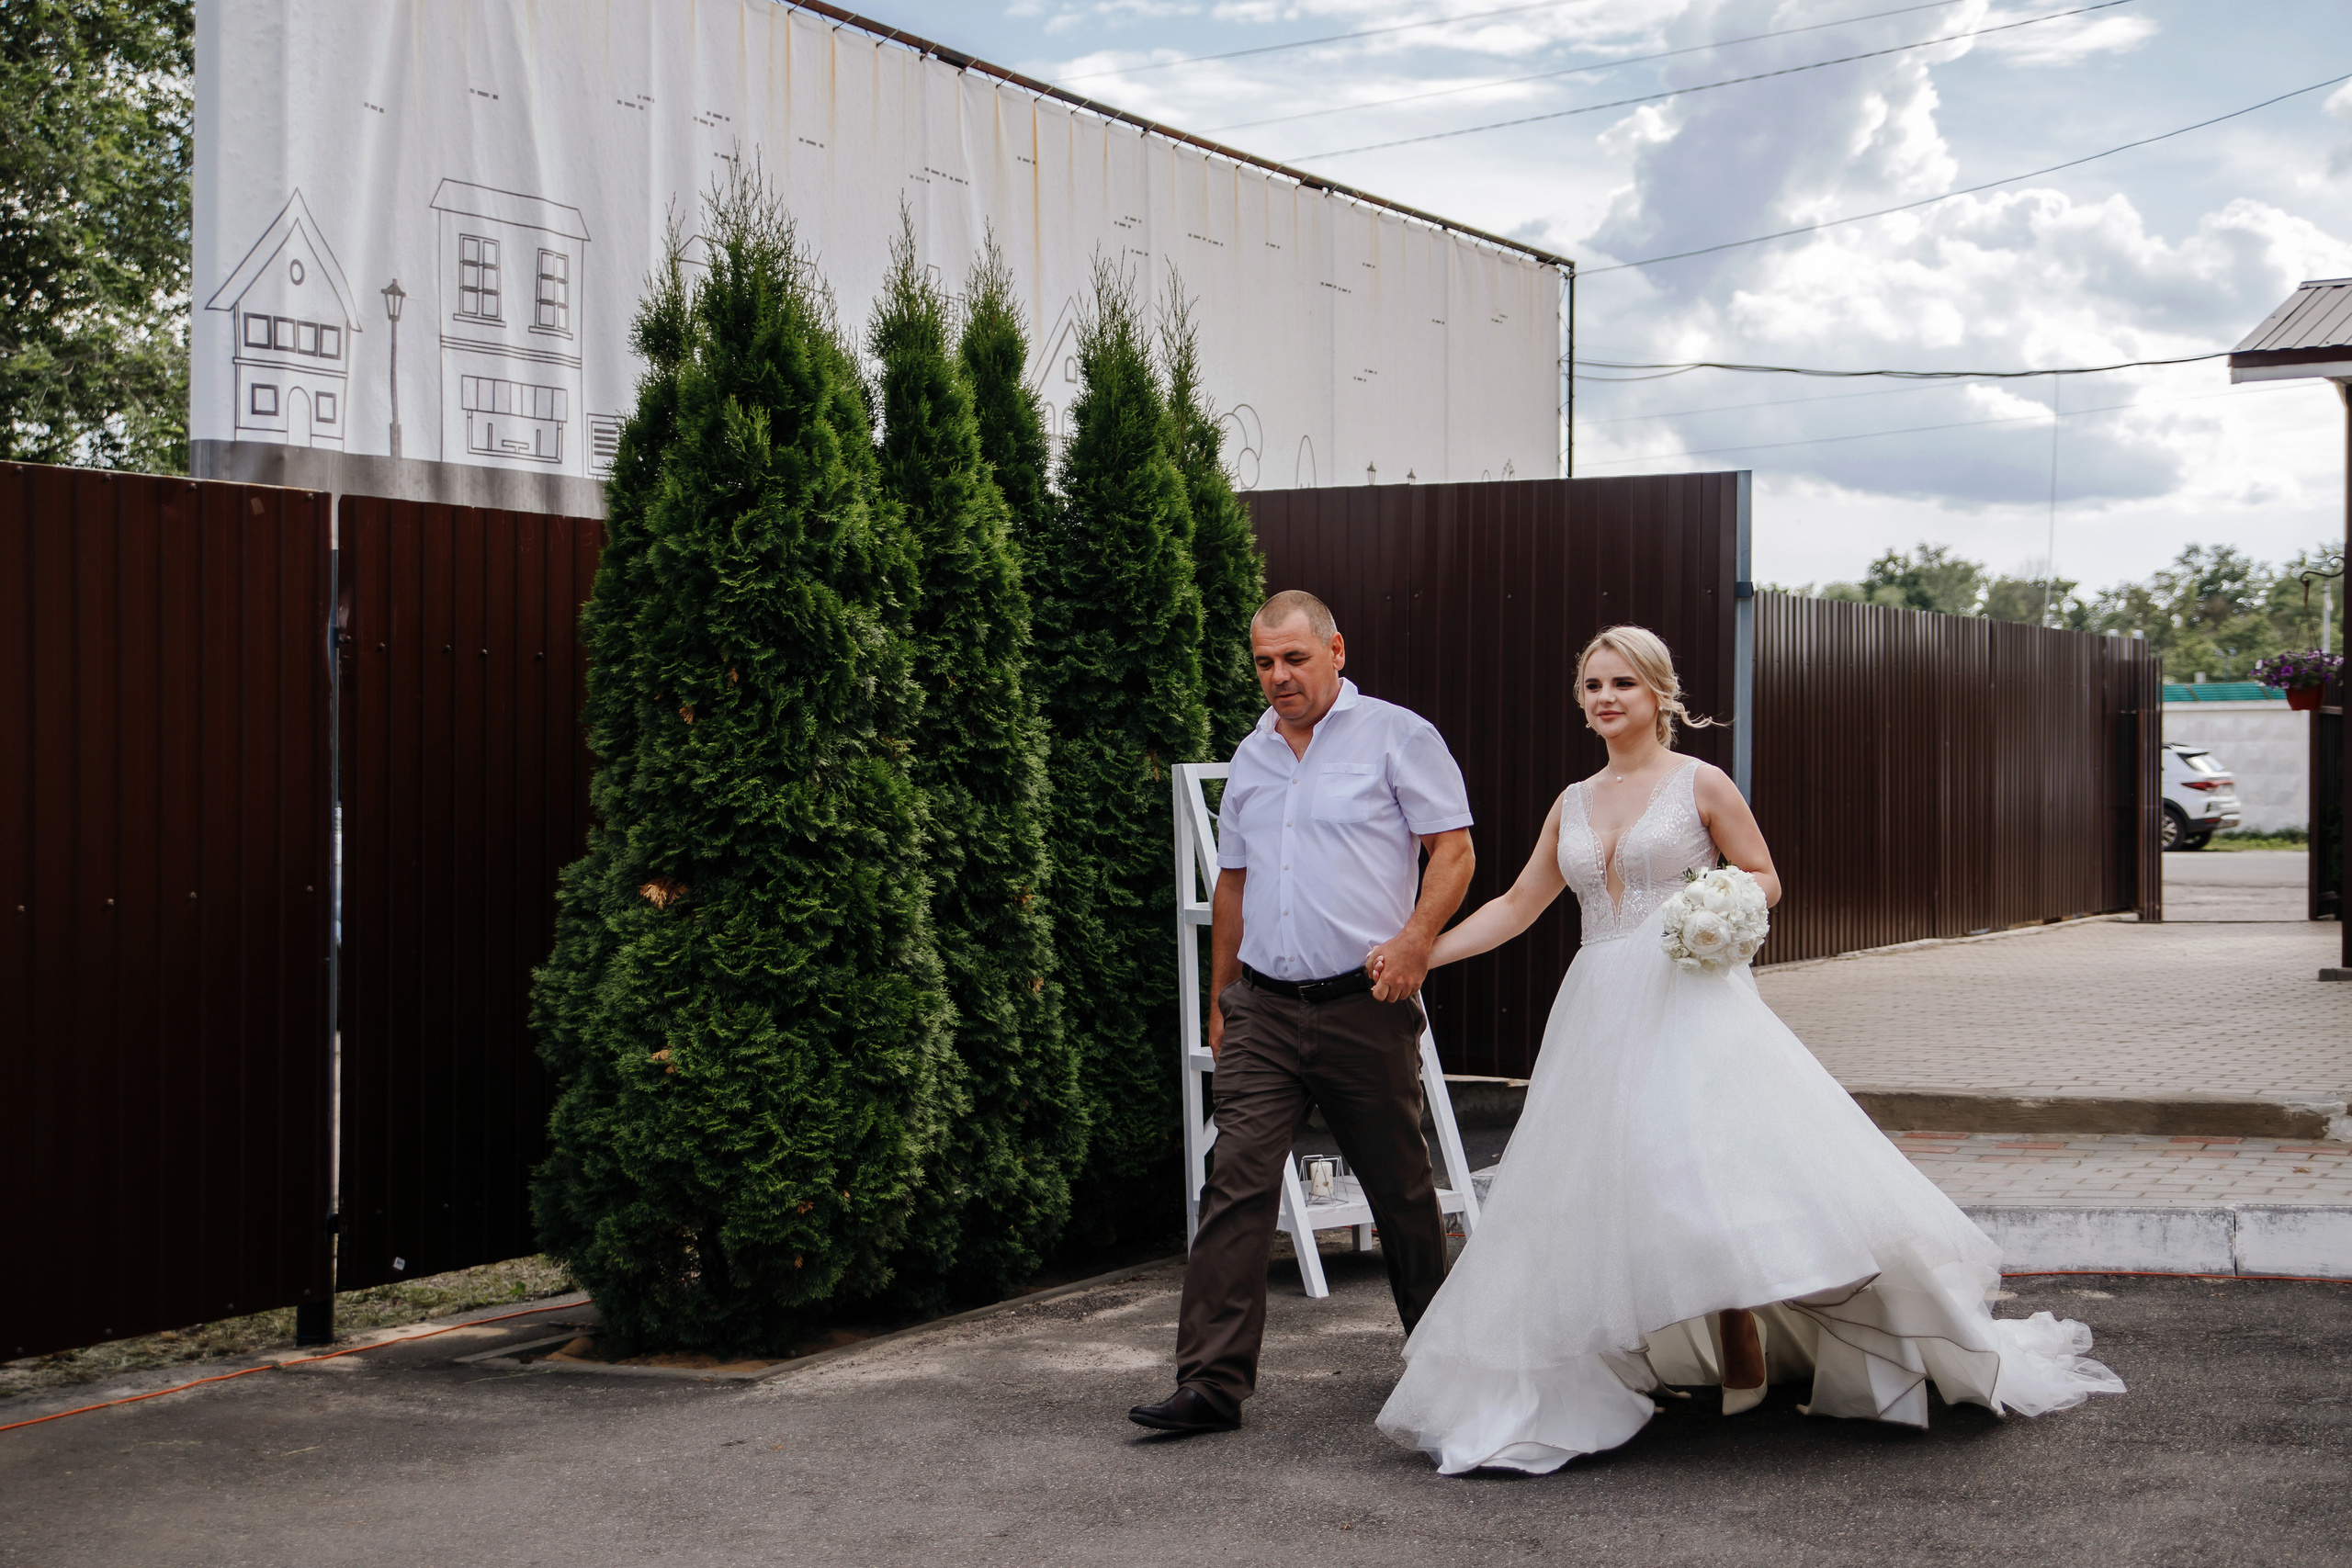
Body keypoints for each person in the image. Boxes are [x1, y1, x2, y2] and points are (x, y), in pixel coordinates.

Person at [1375, 625, 2124, 1474]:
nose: (1606, 697)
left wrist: (1716, 911)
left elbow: (1763, 874)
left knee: (1711, 1175)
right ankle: (1681, 1352)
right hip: (1598, 1006)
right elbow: (1516, 904)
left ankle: (1755, 1341)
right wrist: (1421, 950)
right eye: (1592, 686)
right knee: (1614, 1181)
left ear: (1659, 693)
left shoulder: (1701, 782)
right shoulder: (1572, 801)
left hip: (1689, 997)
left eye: (1623, 682)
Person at [1129, 591, 1476, 1435]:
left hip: (1366, 1003)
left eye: (1294, 658)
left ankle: (1446, 1364)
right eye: (1264, 662)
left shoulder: (1399, 734)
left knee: (1400, 1192)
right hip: (1265, 1011)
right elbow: (1235, 884)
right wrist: (1223, 1002)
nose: (1278, 676)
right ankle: (1210, 1384)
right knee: (1235, 1186)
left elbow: (1454, 849)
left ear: (1336, 650)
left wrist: (1417, 940)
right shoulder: (1251, 755)